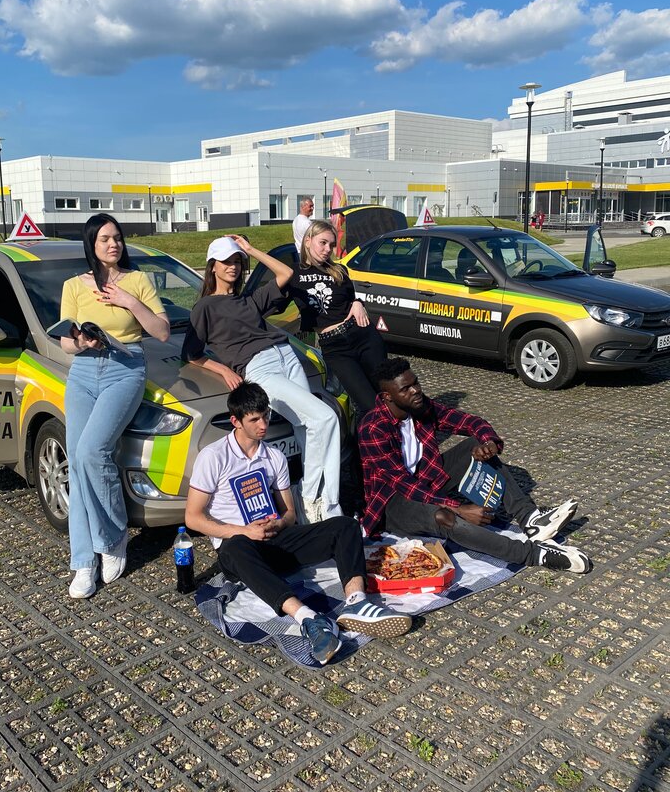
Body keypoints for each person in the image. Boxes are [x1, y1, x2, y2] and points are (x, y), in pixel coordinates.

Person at [185, 382, 411, 664]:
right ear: (236, 421)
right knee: (235, 546)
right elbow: (193, 517)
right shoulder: (213, 456)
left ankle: (356, 602)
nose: (263, 425)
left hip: (273, 540)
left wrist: (278, 524)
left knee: (345, 525)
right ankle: (308, 619)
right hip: (239, 551)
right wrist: (244, 531)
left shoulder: (273, 456)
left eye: (265, 416)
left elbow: (289, 513)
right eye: (254, 420)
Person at [358, 357, 591, 573]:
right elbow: (404, 484)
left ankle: (530, 519)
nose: (416, 390)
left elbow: (469, 421)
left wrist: (488, 442)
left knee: (475, 445)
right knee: (444, 517)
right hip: (393, 504)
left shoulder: (419, 406)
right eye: (406, 389)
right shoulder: (373, 428)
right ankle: (532, 554)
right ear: (387, 396)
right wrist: (458, 509)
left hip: (426, 480)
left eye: (416, 383)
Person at [182, 234, 341, 523]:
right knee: (325, 418)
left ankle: (322, 509)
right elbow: (191, 353)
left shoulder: (248, 300)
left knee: (307, 428)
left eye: (237, 262)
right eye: (226, 261)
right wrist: (225, 370)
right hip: (259, 367)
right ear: (212, 266)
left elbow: (286, 273)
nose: (233, 266)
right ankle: (311, 498)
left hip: (287, 355)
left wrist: (250, 248)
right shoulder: (205, 307)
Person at [59, 214, 170, 599]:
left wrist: (129, 301)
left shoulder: (138, 281)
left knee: (93, 451)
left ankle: (111, 538)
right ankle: (83, 561)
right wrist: (82, 343)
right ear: (91, 244)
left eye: (117, 238)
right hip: (84, 371)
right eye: (105, 238)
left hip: (126, 368)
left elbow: (161, 331)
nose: (113, 244)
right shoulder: (74, 285)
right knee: (77, 460)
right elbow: (66, 343)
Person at [287, 219, 386, 415]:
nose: (328, 250)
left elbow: (350, 299)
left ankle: (407, 431)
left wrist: (358, 302)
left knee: (389, 392)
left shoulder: (339, 270)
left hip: (362, 335)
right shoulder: (293, 274)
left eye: (332, 245)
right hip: (335, 347)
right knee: (369, 404)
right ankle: (379, 432)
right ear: (308, 240)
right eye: (323, 243)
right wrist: (250, 250)